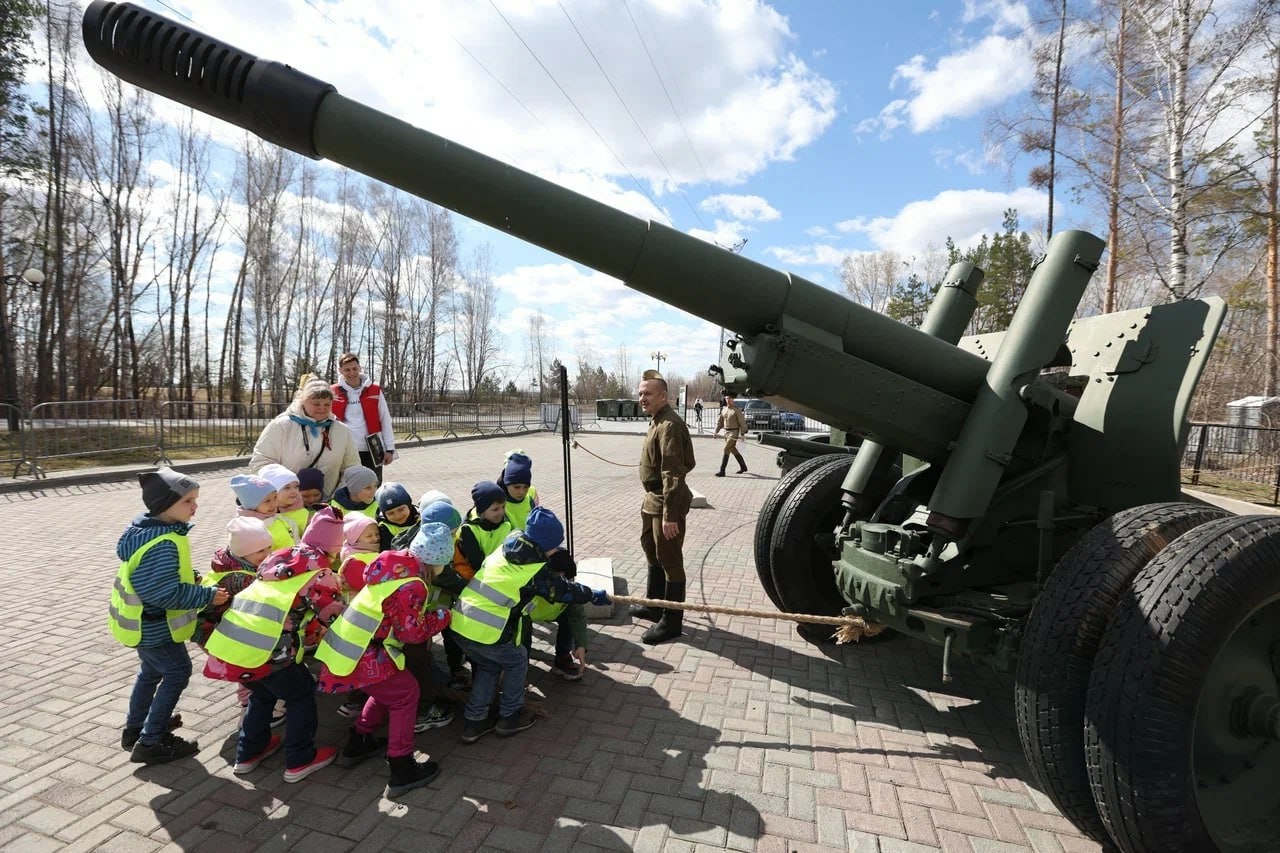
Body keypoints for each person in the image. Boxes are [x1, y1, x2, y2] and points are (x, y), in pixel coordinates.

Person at [449, 506, 610, 743]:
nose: (556, 550)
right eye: (555, 545)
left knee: (489, 666)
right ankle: (510, 716)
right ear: (545, 545)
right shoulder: (534, 569)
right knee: (516, 660)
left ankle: (475, 722)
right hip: (486, 631)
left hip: (461, 624)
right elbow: (562, 590)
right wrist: (593, 595)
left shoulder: (507, 546)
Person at [314, 549, 452, 798]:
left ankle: (359, 741)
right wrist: (442, 617)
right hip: (362, 656)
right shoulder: (412, 585)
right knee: (406, 693)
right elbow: (411, 633)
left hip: (348, 653)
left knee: (390, 689)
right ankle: (402, 767)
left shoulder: (386, 579)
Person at [203, 544, 344, 783]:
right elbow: (333, 615)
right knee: (300, 695)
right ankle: (300, 759)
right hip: (270, 655)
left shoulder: (264, 581)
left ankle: (248, 752)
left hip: (232, 654)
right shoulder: (314, 578)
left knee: (261, 696)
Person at [110, 467, 223, 764]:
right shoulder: (162, 543)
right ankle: (151, 740)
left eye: (195, 499)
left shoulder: (152, 531)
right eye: (188, 501)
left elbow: (161, 578)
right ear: (164, 505)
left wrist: (192, 577)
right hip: (156, 628)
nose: (195, 507)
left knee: (150, 674)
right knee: (177, 672)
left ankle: (136, 728)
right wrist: (207, 596)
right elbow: (162, 593)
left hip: (143, 626)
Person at [634, 369, 696, 645]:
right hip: (652, 499)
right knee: (651, 547)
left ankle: (671, 623)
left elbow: (674, 472)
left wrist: (671, 515)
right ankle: (655, 606)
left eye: (647, 393)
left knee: (669, 557)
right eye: (639, 393)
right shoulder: (657, 421)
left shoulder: (669, 424)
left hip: (666, 501)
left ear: (663, 395)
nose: (642, 398)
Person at [251, 379, 360, 500]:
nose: (322, 408)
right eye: (316, 404)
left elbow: (352, 467)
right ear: (303, 401)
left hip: (327, 504)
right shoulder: (281, 426)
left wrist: (338, 496)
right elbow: (261, 462)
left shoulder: (341, 430)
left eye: (327, 404)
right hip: (287, 506)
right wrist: (285, 493)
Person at [333, 352, 396, 484]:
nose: (351, 373)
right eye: (347, 370)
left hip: (372, 449)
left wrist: (389, 449)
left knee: (373, 486)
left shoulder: (374, 390)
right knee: (348, 487)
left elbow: (385, 419)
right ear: (340, 371)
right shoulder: (333, 392)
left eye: (354, 368)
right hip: (346, 449)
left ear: (360, 368)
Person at [259, 464, 308, 543]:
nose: (294, 491)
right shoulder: (263, 515)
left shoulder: (304, 515)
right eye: (287, 488)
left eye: (296, 486)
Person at [496, 450, 538, 532]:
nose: (521, 492)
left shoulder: (529, 500)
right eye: (517, 487)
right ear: (506, 483)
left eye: (526, 487)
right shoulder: (497, 505)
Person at [713, 392, 749, 477]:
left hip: (734, 432)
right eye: (726, 398)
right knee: (732, 449)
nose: (728, 400)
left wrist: (743, 433)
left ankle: (722, 471)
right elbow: (720, 422)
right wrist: (716, 432)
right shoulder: (724, 409)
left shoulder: (736, 410)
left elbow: (742, 422)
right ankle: (743, 466)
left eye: (729, 398)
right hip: (726, 432)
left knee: (726, 449)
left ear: (733, 399)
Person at [375, 482, 419, 548]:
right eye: (390, 513)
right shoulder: (385, 528)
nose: (397, 516)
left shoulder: (420, 518)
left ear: (409, 505)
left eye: (401, 509)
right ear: (384, 515)